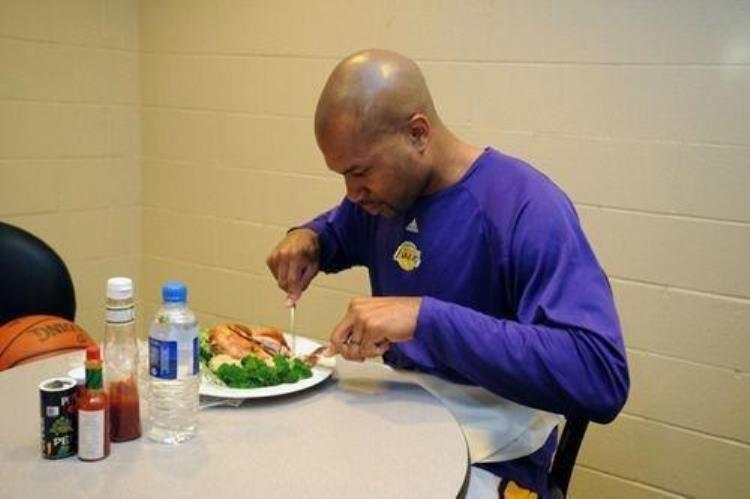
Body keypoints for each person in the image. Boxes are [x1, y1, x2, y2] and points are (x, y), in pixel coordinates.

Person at [266, 49, 629, 498]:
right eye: (342, 175)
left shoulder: (525, 207)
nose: (352, 193)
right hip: (401, 419)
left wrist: (426, 319)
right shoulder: (381, 200)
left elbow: (600, 374)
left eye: (360, 172)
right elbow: (339, 230)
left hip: (497, 450)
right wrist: (310, 237)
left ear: (418, 133)